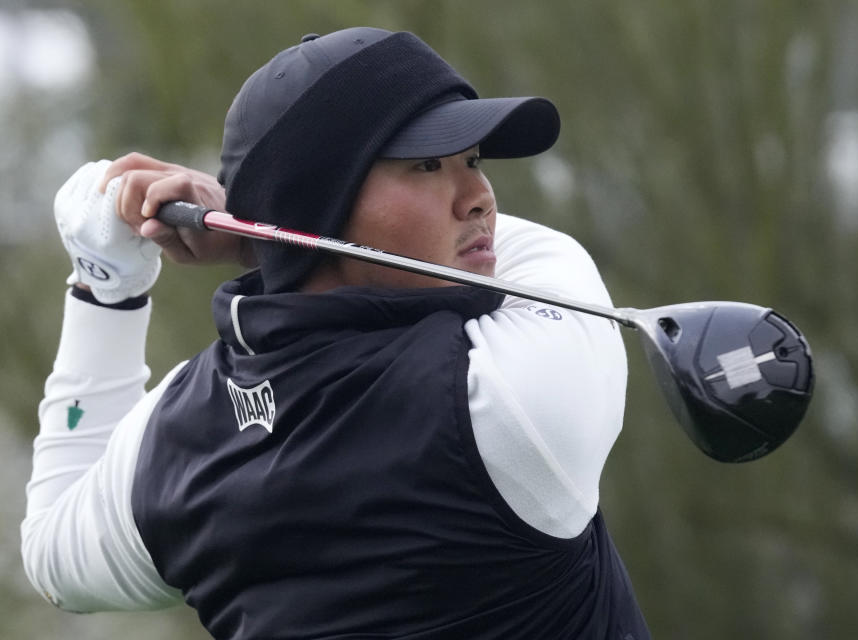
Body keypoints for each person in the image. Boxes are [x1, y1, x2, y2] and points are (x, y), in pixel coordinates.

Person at [22, 27, 650, 640]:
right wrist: (261, 239)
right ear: (319, 206)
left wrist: (106, 287)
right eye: (428, 165)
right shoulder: (505, 404)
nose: (480, 196)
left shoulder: (170, 443)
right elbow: (547, 258)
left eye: (473, 160)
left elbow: (52, 558)